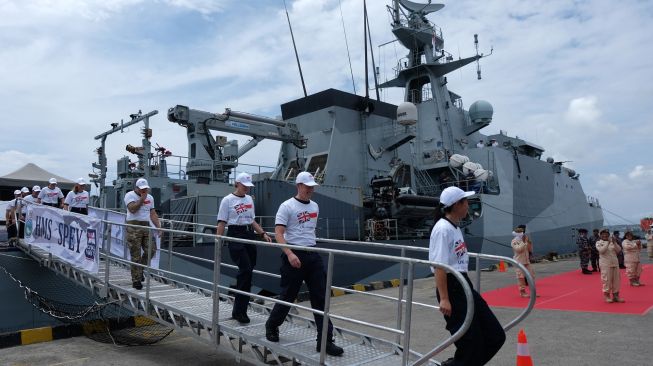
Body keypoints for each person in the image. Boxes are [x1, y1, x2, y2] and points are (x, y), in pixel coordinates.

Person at [265, 172, 344, 357]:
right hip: (293, 254)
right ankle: (272, 326)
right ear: (298, 185)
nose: (310, 189)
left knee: (320, 297)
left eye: (312, 186)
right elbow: (278, 234)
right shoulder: (287, 206)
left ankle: (325, 341)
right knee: (288, 295)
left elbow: (309, 230)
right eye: (307, 186)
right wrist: (290, 253)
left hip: (312, 253)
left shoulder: (315, 206)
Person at [429, 186, 505, 365]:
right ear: (456, 205)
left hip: (463, 284)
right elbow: (439, 266)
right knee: (471, 345)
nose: (468, 206)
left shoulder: (454, 227)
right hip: (452, 287)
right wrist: (445, 299)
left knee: (495, 336)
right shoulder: (442, 229)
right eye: (466, 202)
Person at [217, 172, 272, 324]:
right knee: (246, 270)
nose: (247, 188)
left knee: (248, 272)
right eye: (244, 185)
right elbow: (221, 222)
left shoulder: (249, 199)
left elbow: (252, 220)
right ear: (237, 184)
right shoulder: (227, 200)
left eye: (248, 186)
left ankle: (239, 309)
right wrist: (218, 240)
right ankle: (240, 311)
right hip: (235, 234)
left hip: (249, 234)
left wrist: (263, 233)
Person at [124, 178, 161, 290]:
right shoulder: (129, 195)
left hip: (146, 226)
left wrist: (159, 227)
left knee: (152, 249)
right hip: (133, 226)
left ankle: (140, 271)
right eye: (142, 189)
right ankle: (136, 280)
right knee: (135, 255)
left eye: (146, 189)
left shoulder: (150, 198)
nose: (145, 191)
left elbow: (153, 213)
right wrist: (141, 200)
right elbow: (132, 209)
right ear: (136, 188)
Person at [596, 228, 624, 303]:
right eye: (603, 234)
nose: (605, 235)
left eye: (606, 234)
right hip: (606, 265)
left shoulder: (612, 242)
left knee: (616, 281)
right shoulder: (599, 242)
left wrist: (614, 242)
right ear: (600, 235)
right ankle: (607, 296)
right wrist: (608, 242)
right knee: (607, 281)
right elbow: (601, 251)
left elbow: (619, 250)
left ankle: (616, 296)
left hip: (615, 264)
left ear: (609, 235)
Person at [511, 227, 536, 297]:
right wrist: (524, 242)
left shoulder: (525, 240)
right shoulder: (514, 241)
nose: (522, 234)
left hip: (526, 261)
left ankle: (532, 292)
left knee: (531, 275)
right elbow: (518, 250)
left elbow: (530, 250)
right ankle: (522, 292)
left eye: (522, 232)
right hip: (519, 262)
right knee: (521, 277)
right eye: (520, 233)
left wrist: (529, 243)